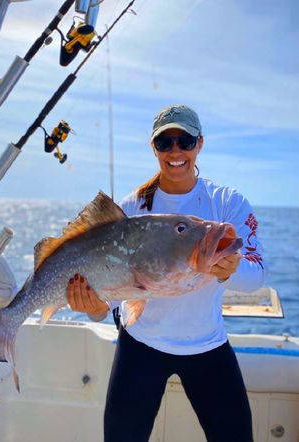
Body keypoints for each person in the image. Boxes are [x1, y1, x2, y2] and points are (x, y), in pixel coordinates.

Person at [67, 104, 265, 442]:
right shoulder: (130, 209)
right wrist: (94, 308)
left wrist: (231, 270)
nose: (176, 151)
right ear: (153, 147)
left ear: (200, 144)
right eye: (165, 143)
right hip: (140, 345)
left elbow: (257, 276)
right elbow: (111, 301)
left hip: (207, 345)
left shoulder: (227, 203)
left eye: (185, 141)